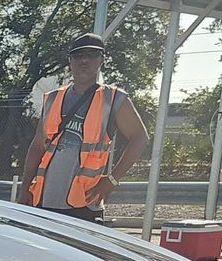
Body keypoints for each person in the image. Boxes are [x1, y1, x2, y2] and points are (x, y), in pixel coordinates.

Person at [19, 32, 149, 221]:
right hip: (44, 200)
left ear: (101, 60)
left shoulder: (113, 99)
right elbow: (38, 146)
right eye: (79, 55)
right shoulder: (53, 98)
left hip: (84, 203)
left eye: (92, 55)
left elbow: (140, 138)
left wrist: (112, 180)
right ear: (70, 61)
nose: (84, 61)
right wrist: (24, 189)